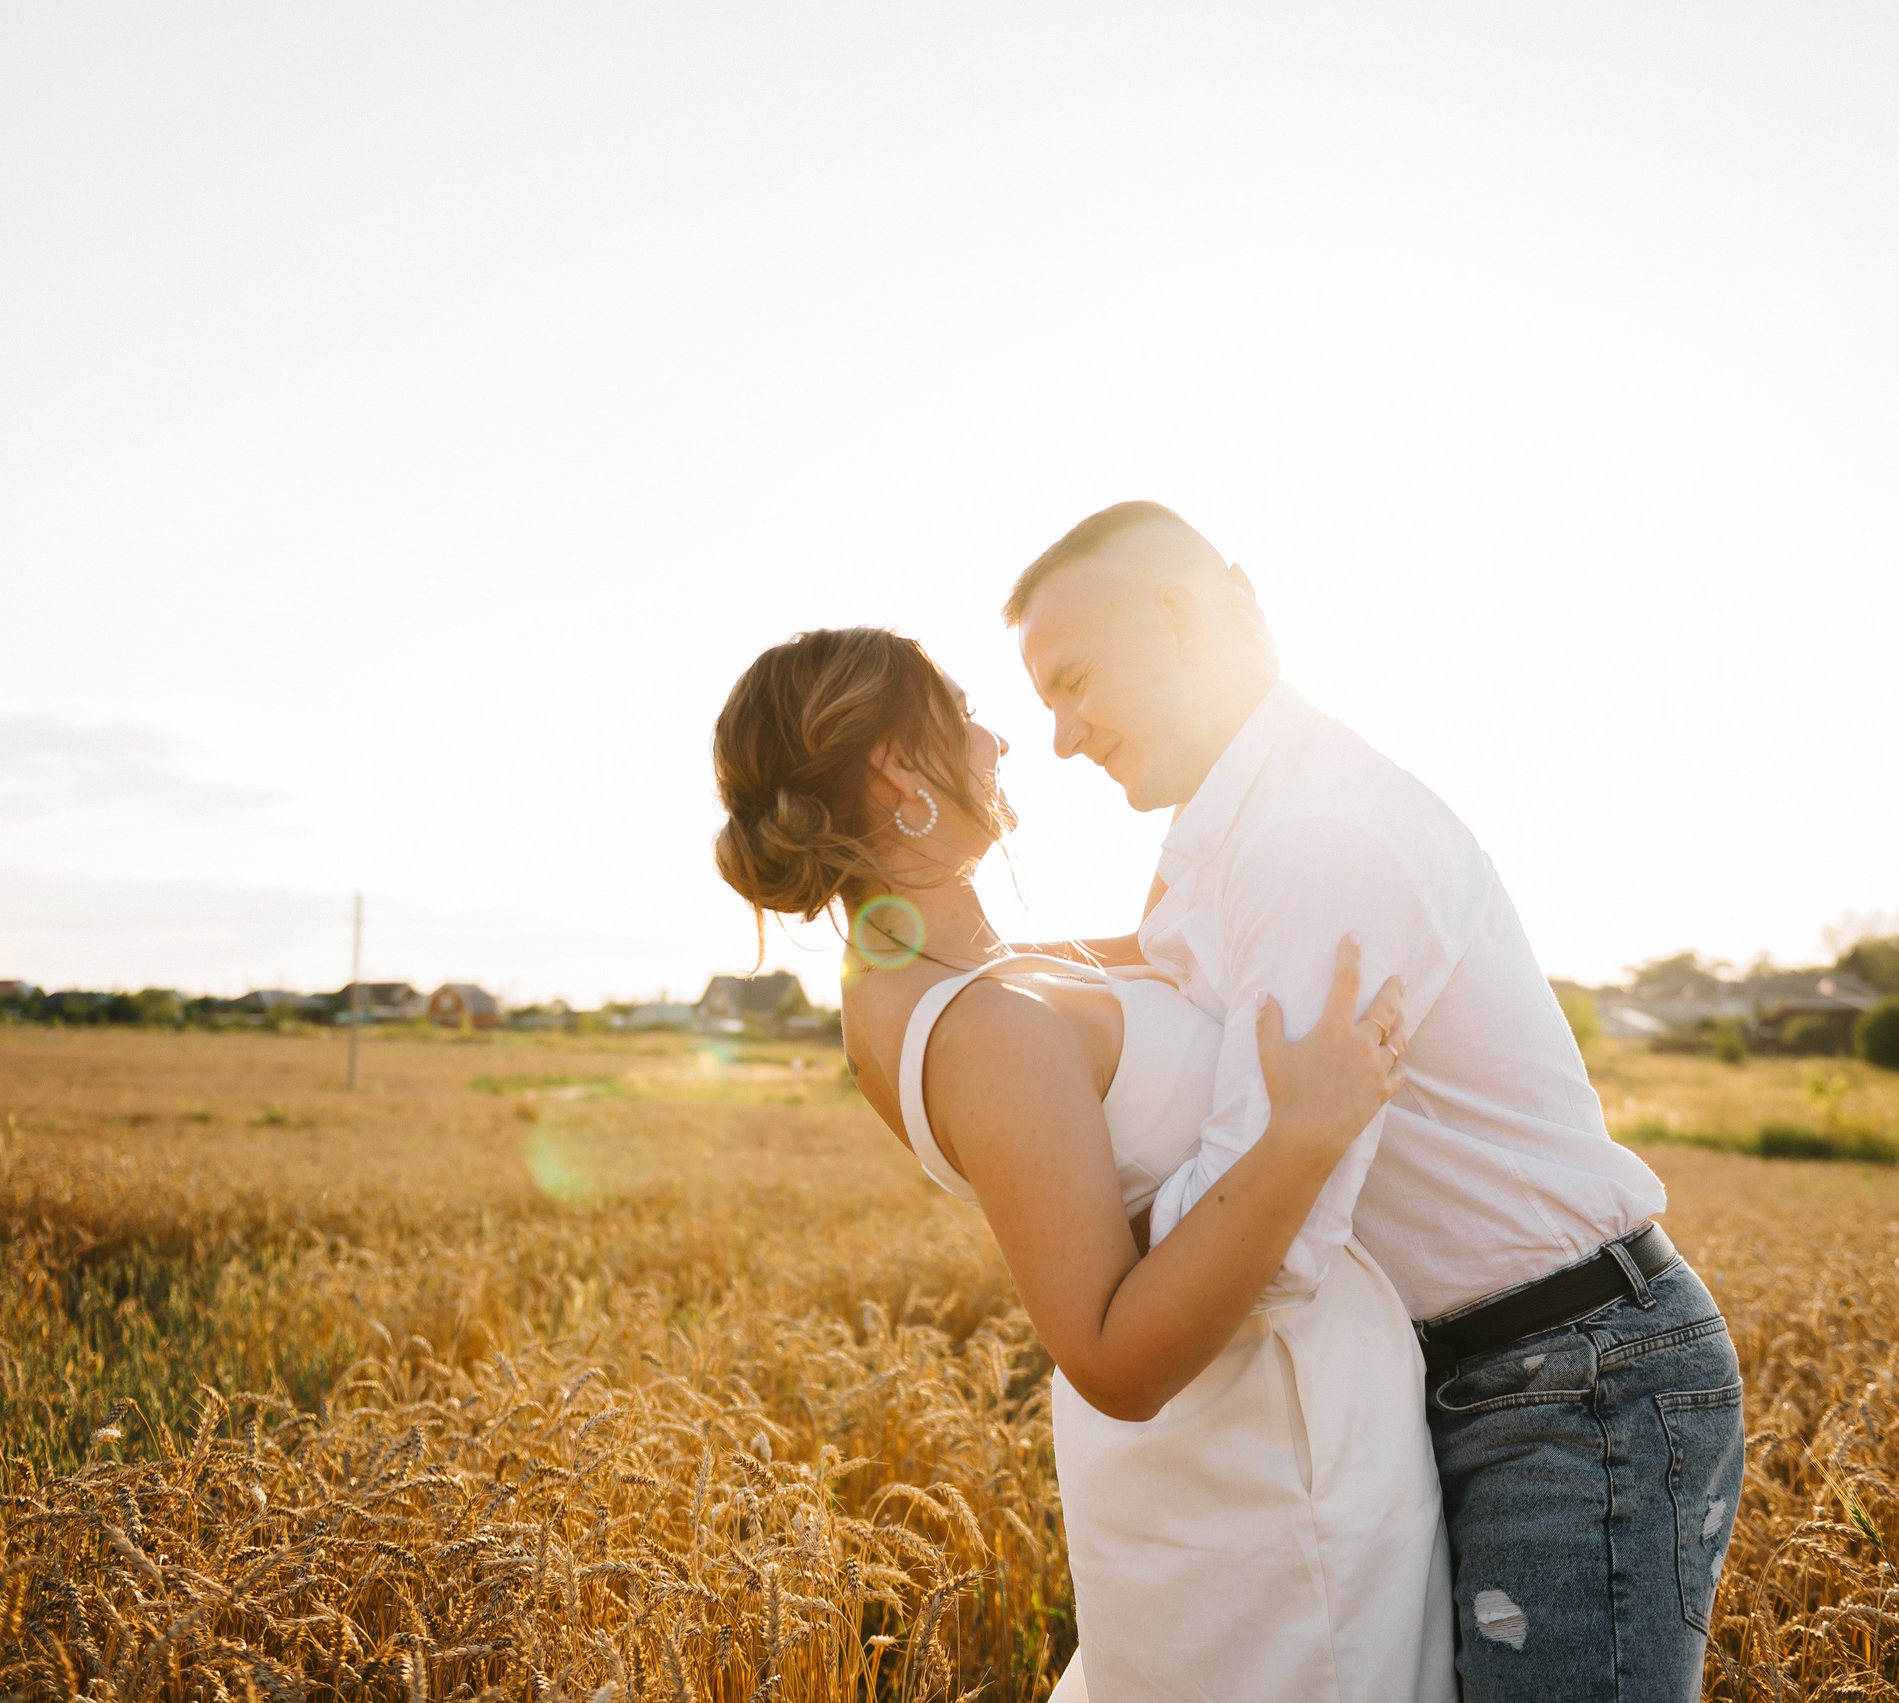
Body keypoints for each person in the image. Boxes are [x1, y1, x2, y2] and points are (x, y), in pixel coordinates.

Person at [1006, 502, 1746, 1703]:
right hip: (1470, 1375)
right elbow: (1137, 973)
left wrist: (1085, 1245)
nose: (1059, 734)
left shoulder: (1313, 839)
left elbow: (1283, 1247)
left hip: (1569, 1383)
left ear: (1183, 619)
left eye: (1074, 680)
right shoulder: (1231, 840)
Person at [710, 626, 1454, 1702]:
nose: (998, 737)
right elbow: (1110, 1357)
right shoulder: (983, 1025)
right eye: (962, 711)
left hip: (1287, 1451)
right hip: (1264, 1483)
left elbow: (1179, 941)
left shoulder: (959, 977)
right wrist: (1303, 1134)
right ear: (895, 765)